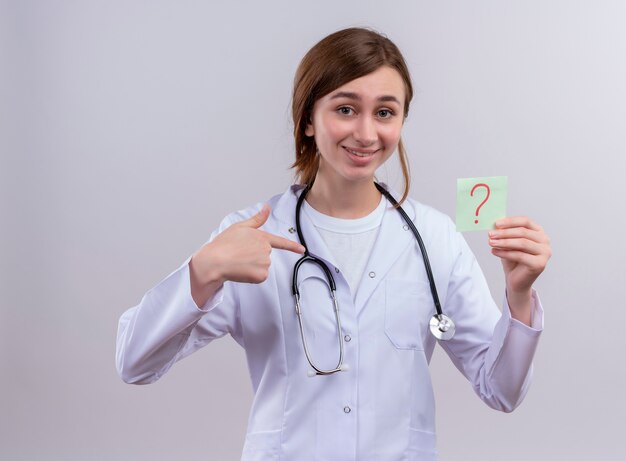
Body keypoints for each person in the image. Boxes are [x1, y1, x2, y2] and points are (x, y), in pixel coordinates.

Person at [116, 27, 551, 461]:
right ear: (307, 119)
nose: (365, 133)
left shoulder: (435, 238)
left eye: (385, 112)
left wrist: (519, 295)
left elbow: (501, 390)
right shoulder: (252, 234)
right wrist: (202, 271)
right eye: (345, 109)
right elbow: (135, 363)